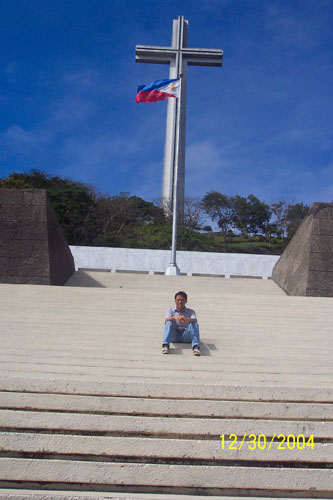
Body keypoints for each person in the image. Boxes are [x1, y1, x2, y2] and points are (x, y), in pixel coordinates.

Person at [162, 291, 200, 356]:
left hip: (186, 335)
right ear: (175, 301)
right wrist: (175, 317)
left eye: (182, 300)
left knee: (194, 323)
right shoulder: (170, 309)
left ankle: (196, 347)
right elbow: (166, 320)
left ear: (186, 301)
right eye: (178, 300)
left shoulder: (191, 311)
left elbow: (195, 319)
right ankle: (165, 346)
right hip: (174, 335)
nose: (180, 302)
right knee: (169, 322)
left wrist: (185, 319)